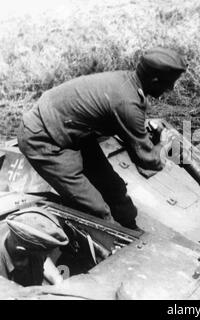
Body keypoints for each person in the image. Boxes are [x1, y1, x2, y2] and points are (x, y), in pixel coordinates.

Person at [17, 48, 187, 231]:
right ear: (155, 80)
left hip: (70, 129)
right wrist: (166, 142)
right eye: (170, 84)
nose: (170, 89)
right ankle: (113, 251)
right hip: (44, 138)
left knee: (115, 189)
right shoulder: (126, 103)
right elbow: (148, 161)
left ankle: (131, 229)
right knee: (95, 208)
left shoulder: (128, 81)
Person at [0, 207, 69, 286]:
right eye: (42, 253)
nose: (45, 256)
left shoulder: (21, 230)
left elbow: (43, 258)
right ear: (22, 250)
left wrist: (58, 279)